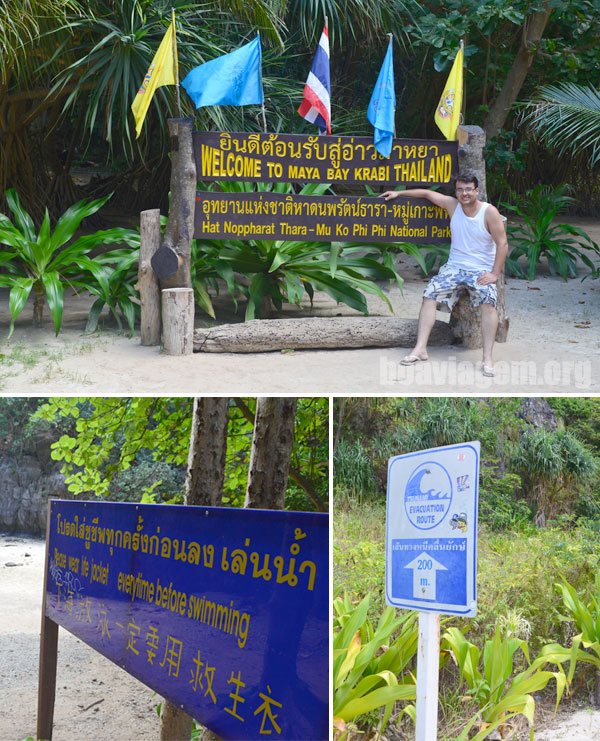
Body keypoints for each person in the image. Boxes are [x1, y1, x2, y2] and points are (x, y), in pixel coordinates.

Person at [381, 173, 508, 376]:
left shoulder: (488, 212)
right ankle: (420, 348)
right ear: (456, 191)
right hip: (454, 267)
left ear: (476, 190)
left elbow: (502, 243)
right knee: (430, 294)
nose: (464, 193)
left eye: (468, 189)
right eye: (460, 189)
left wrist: (494, 273)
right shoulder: (452, 205)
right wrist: (398, 192)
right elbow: (426, 193)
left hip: (480, 269)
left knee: (488, 301)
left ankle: (487, 358)